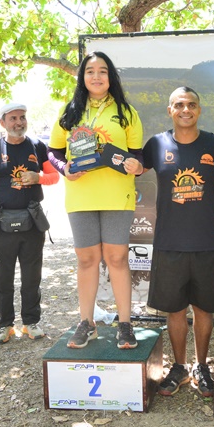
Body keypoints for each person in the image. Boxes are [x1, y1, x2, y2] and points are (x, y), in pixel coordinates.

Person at [141, 87, 214, 396]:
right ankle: (180, 367)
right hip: (169, 241)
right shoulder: (156, 144)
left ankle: (202, 367)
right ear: (170, 110)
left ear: (199, 109)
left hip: (206, 240)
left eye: (191, 105)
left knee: (204, 308)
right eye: (179, 105)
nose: (186, 109)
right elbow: (131, 169)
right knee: (175, 310)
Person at [48, 51, 144, 349]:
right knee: (87, 259)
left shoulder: (126, 112)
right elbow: (52, 152)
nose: (96, 76)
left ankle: (125, 324)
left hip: (117, 194)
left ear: (110, 76)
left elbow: (138, 157)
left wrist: (136, 166)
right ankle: (86, 323)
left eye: (103, 71)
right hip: (81, 196)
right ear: (82, 77)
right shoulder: (71, 111)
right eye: (90, 71)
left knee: (116, 258)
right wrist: (63, 169)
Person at [0, 102, 60, 344]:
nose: (18, 122)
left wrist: (38, 178)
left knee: (32, 277)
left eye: (22, 117)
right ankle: (5, 325)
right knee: (3, 278)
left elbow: (55, 177)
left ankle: (31, 323)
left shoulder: (38, 146)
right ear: (2, 122)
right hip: (1, 224)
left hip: (32, 222)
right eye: (13, 118)